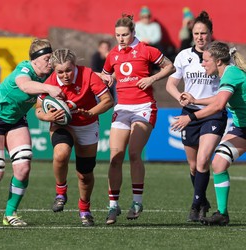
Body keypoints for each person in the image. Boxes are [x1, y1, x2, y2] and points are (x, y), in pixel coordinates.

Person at [0, 38, 64, 227]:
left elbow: (74, 71)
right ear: (35, 60)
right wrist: (48, 88)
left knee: (23, 168)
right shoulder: (24, 70)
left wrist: (102, 75)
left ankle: (10, 214)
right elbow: (24, 86)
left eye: (51, 58)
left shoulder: (48, 74)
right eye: (47, 58)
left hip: (16, 120)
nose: (51, 62)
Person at [100, 14, 175, 225]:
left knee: (134, 152)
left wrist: (151, 78)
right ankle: (113, 205)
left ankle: (137, 202)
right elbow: (109, 76)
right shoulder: (112, 55)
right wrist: (107, 79)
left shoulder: (146, 49)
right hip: (122, 108)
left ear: (133, 33)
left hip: (144, 107)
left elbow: (170, 66)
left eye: (125, 35)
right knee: (115, 157)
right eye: (117, 35)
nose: (121, 39)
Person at [35, 48, 114, 226]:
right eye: (60, 72)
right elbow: (39, 108)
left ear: (75, 66)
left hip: (87, 124)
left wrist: (91, 113)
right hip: (62, 123)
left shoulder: (87, 75)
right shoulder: (51, 81)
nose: (65, 75)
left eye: (68, 70)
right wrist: (46, 116)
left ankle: (84, 209)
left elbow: (108, 101)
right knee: (61, 154)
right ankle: (60, 192)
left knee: (84, 175)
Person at [171, 41, 246, 226]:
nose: (202, 64)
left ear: (218, 61)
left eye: (205, 60)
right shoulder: (227, 74)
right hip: (242, 128)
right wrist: (196, 100)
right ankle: (222, 214)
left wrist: (190, 118)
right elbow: (218, 99)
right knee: (219, 163)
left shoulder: (231, 75)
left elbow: (219, 106)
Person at [166, 11, 226, 222]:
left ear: (211, 34)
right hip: (189, 113)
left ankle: (195, 204)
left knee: (203, 160)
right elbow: (170, 84)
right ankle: (203, 200)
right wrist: (180, 96)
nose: (200, 37)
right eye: (196, 33)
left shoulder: (220, 55)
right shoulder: (184, 56)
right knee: (193, 166)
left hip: (213, 113)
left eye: (204, 33)